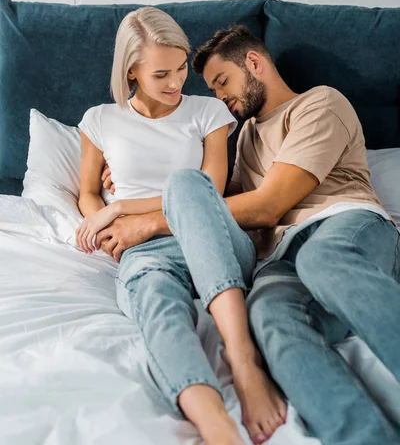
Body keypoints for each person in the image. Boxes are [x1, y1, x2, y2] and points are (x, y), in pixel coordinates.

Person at [101, 24, 400, 445]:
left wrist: (151, 222)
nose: (220, 97)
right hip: (283, 257)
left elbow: (267, 205)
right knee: (268, 318)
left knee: (322, 258)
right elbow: (207, 202)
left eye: (222, 81)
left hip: (346, 227)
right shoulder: (245, 141)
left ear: (254, 63)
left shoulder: (320, 104)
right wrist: (129, 178)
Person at [75, 9, 286, 445]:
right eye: (160, 74)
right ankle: (214, 422)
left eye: (179, 69)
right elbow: (88, 194)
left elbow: (208, 188)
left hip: (215, 239)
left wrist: (124, 209)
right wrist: (100, 214)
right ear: (131, 71)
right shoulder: (100, 120)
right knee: (155, 301)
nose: (176, 84)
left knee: (187, 183)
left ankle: (243, 361)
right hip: (145, 252)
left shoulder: (207, 112)